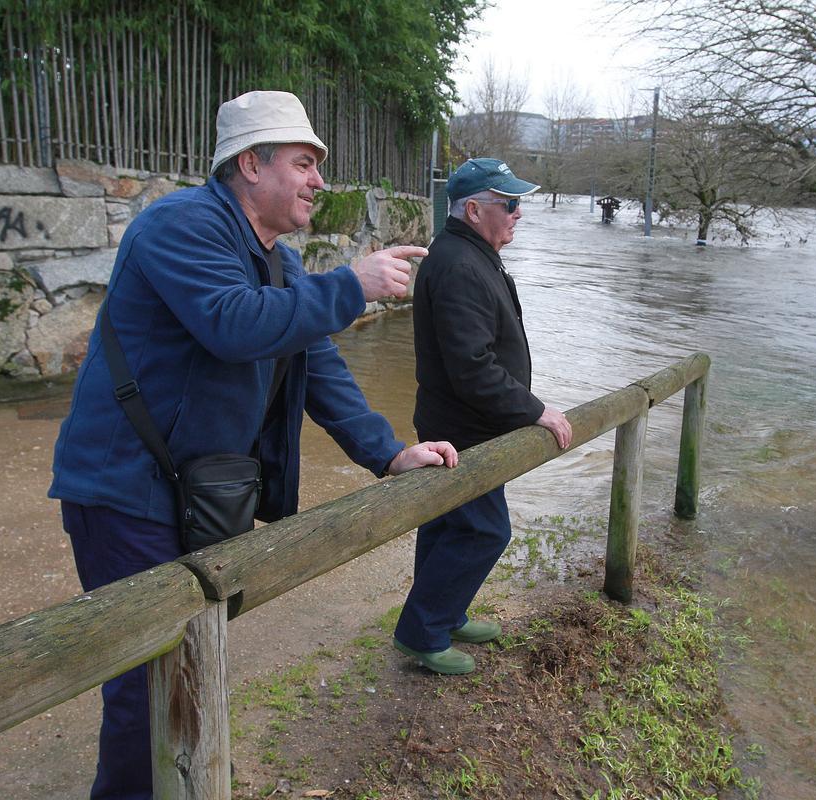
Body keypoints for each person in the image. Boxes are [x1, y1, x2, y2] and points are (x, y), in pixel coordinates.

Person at [48, 90, 457, 800]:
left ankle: (191, 778)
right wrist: (351, 285)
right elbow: (232, 325)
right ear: (249, 164)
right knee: (146, 680)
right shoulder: (180, 226)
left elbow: (317, 364)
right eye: (304, 163)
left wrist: (388, 454)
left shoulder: (276, 259)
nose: (320, 181)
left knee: (190, 659)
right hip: (122, 491)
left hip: (193, 491)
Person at [392, 158, 572, 675]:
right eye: (509, 204)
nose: (519, 213)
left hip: (460, 425)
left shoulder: (470, 254)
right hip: (462, 432)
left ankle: (445, 615)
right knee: (484, 532)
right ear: (474, 209)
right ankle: (422, 633)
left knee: (449, 526)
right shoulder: (459, 264)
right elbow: (472, 368)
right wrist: (535, 410)